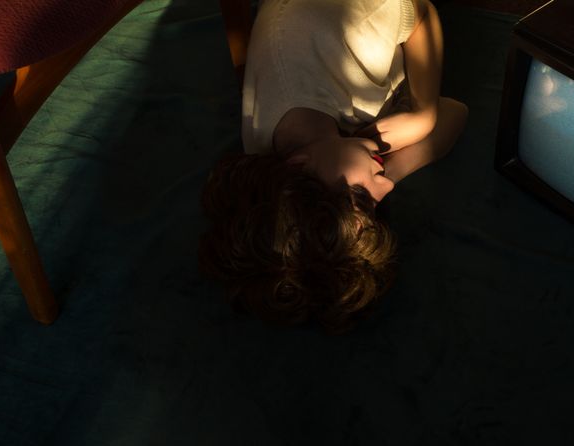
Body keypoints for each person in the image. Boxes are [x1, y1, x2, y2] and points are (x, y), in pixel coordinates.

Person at [199, 0, 468, 332]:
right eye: (371, 208)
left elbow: (422, 11)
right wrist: (393, 161)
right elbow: (456, 113)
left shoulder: (346, 34)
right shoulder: (283, 172)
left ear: (299, 166)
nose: (386, 186)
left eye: (361, 196)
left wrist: (423, 115)